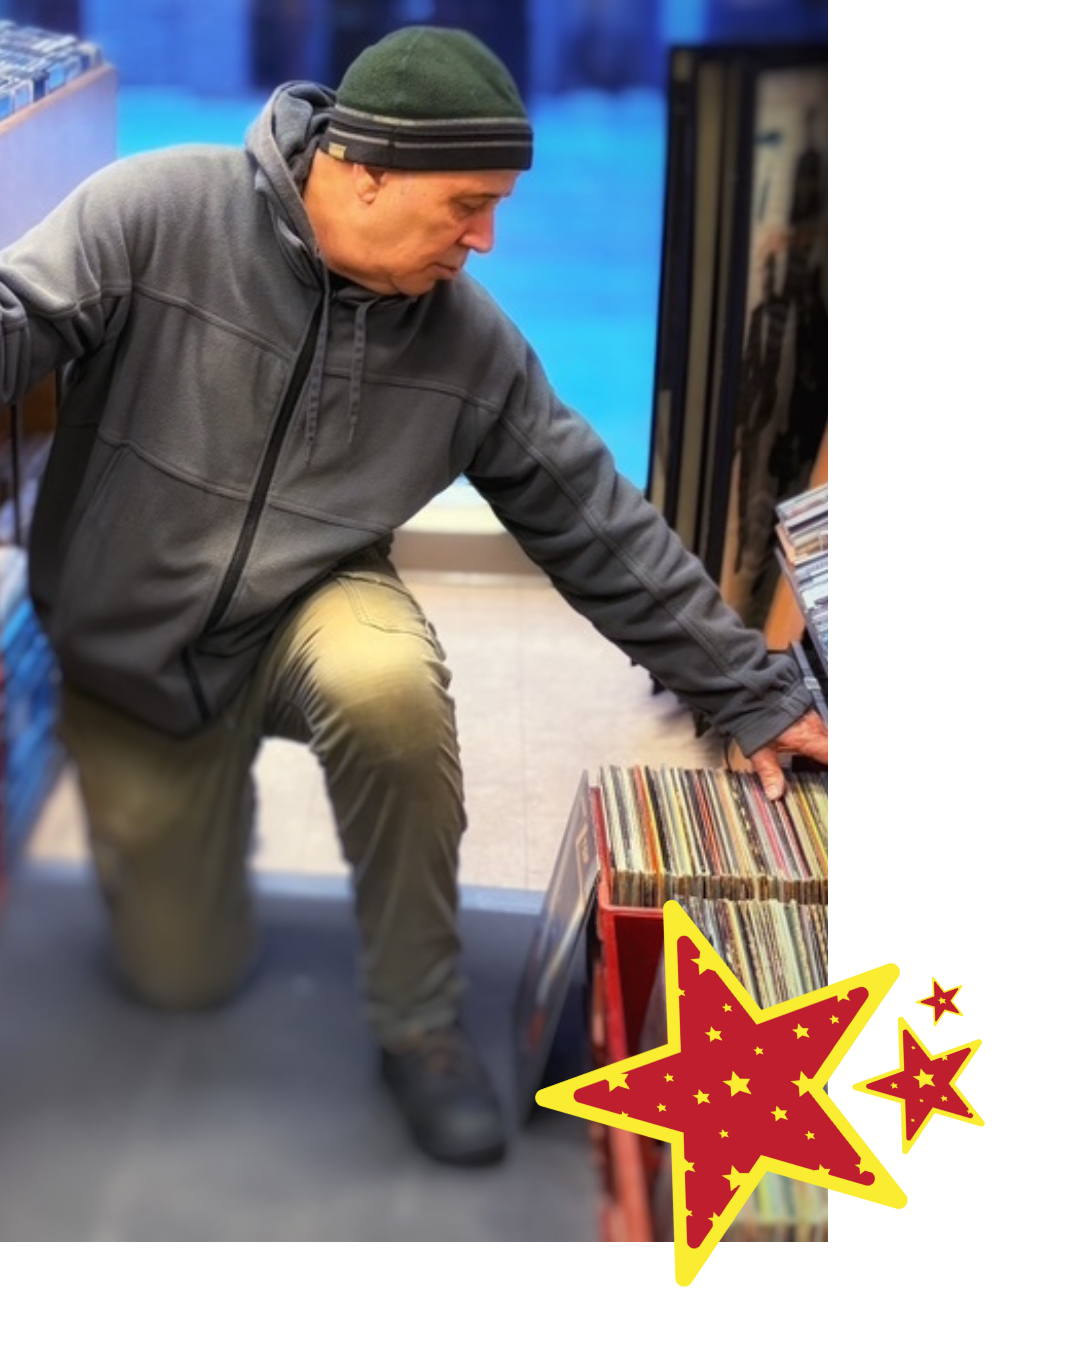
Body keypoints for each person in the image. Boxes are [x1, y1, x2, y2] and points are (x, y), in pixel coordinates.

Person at [0, 27, 826, 1168]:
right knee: (181, 979)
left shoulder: (468, 345)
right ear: (364, 168)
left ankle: (420, 1028)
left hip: (309, 611)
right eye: (467, 205)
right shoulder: (154, 213)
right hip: (129, 650)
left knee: (388, 683)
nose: (483, 241)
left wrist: (749, 690)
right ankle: (198, 835)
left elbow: (596, 521)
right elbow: (14, 321)